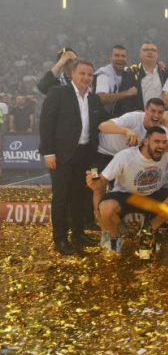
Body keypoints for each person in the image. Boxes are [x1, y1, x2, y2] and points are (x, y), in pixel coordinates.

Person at [39, 59, 109, 255]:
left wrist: (134, 117)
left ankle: (78, 234)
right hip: (62, 155)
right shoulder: (58, 93)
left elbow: (107, 120)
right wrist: (48, 152)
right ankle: (60, 238)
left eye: (89, 75)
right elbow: (46, 123)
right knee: (61, 198)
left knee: (80, 196)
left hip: (85, 155)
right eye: (82, 73)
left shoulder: (94, 99)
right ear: (73, 74)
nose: (86, 78)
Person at [87, 127, 168, 257]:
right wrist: (93, 182)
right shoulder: (125, 156)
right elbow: (101, 182)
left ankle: (147, 231)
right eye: (157, 141)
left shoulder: (165, 152)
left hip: (152, 195)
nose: (161, 146)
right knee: (106, 207)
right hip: (127, 196)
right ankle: (114, 238)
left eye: (164, 142)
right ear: (145, 141)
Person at [113, 41, 168, 116]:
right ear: (140, 54)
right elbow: (124, 101)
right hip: (139, 118)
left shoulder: (165, 73)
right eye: (146, 50)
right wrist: (132, 115)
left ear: (157, 54)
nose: (150, 52)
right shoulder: (131, 73)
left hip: (161, 117)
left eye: (153, 50)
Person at [94, 45, 138, 114]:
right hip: (103, 117)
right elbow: (101, 98)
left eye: (123, 56)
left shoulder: (129, 75)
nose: (120, 59)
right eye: (117, 55)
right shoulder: (104, 74)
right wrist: (127, 93)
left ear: (127, 59)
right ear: (110, 58)